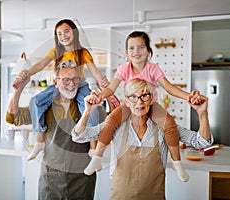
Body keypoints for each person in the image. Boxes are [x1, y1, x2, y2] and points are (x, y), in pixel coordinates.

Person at [84, 31, 204, 181]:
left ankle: (177, 163)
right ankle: (97, 158)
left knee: (170, 124)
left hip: (151, 105)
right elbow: (111, 88)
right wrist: (101, 95)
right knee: (110, 122)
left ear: (148, 51)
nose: (136, 51)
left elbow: (169, 87)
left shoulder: (153, 68)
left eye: (141, 47)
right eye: (132, 48)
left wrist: (188, 96)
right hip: (129, 105)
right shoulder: (123, 69)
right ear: (126, 53)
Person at [72, 79, 213, 199]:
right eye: (133, 97)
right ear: (126, 101)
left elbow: (202, 142)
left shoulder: (163, 126)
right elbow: (78, 136)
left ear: (151, 99)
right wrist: (87, 112)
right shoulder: (116, 126)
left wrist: (202, 114)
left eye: (144, 96)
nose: (139, 102)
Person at [12, 19, 109, 160]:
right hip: (59, 84)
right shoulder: (56, 51)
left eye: (67, 31)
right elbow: (40, 65)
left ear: (74, 32)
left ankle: (93, 148)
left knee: (91, 109)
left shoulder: (82, 52)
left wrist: (102, 81)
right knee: (35, 101)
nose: (63, 35)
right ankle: (39, 141)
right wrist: (26, 74)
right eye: (59, 33)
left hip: (79, 84)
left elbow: (94, 71)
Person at [6, 60, 103, 199]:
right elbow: (14, 118)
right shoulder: (44, 106)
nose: (71, 84)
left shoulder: (88, 105)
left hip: (82, 178)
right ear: (55, 82)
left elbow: (109, 124)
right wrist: (18, 90)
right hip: (51, 178)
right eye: (66, 80)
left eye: (75, 79)